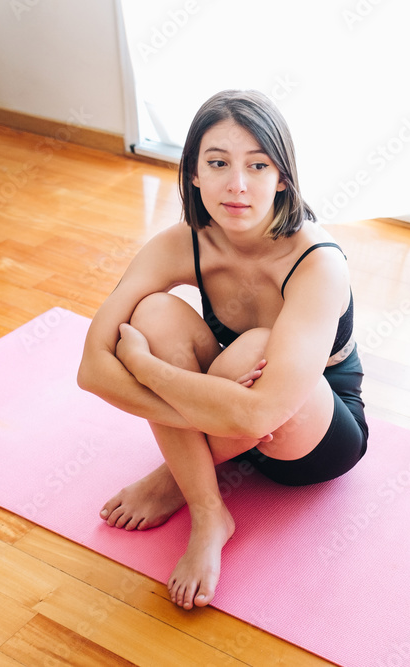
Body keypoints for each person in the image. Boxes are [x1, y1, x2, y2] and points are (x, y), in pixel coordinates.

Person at [77, 89, 368, 611]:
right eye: (217, 163)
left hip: (309, 436)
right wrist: (211, 407)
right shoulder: (182, 242)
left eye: (258, 165)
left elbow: (263, 412)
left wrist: (145, 368)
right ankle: (209, 512)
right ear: (192, 172)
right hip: (230, 408)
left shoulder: (319, 263)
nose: (237, 185)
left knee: (257, 348)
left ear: (283, 177)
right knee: (152, 314)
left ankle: (177, 476)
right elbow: (91, 369)